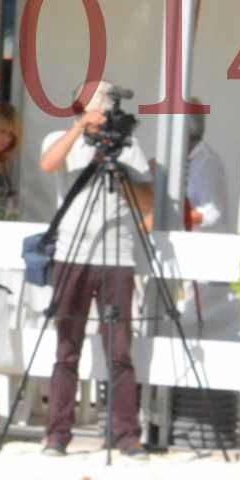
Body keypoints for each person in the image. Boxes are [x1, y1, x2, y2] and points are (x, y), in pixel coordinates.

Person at [36, 81, 154, 459]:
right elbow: (48, 163)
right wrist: (79, 130)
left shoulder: (128, 145)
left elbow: (147, 204)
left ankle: (125, 436)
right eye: (94, 105)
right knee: (66, 345)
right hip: (72, 252)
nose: (101, 113)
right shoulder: (64, 137)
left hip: (116, 256)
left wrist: (119, 167)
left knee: (119, 349)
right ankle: (57, 434)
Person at [185, 106, 228, 230]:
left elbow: (214, 213)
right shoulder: (179, 158)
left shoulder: (208, 162)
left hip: (200, 243)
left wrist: (179, 216)